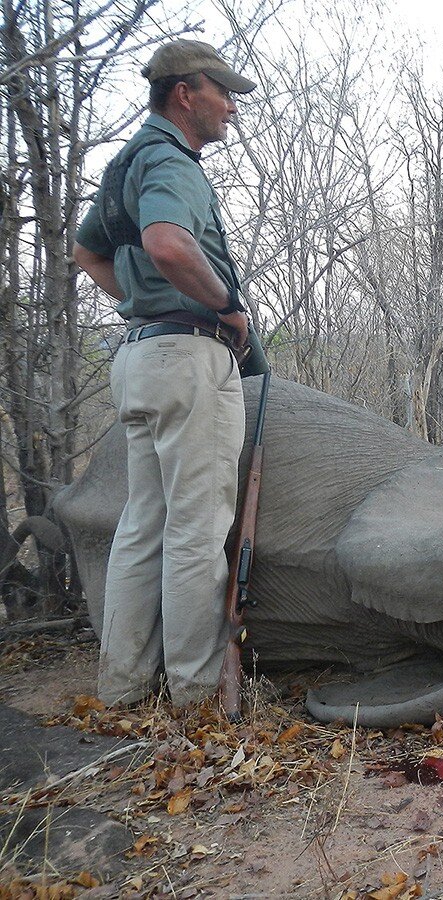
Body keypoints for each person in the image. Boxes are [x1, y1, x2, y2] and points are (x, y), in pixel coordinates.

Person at [73, 40, 258, 706]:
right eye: (223, 92)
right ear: (186, 93)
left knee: (142, 524)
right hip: (187, 356)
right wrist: (225, 306)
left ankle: (121, 686)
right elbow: (169, 242)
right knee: (197, 529)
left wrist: (137, 301)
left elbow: (85, 250)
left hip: (139, 357)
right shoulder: (170, 159)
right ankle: (196, 696)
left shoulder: (126, 160)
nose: (231, 107)